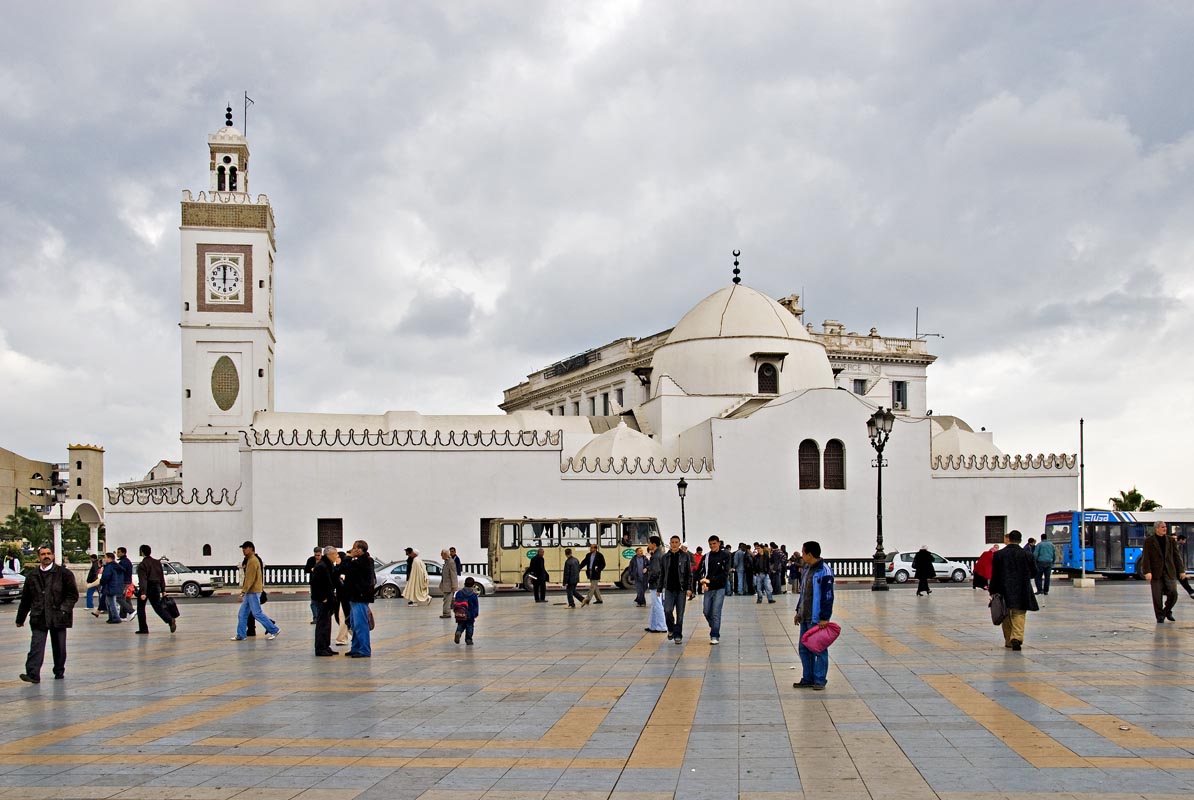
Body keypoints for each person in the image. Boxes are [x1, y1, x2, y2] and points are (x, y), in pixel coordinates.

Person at [15, 545, 79, 683]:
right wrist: (20, 618)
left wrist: (64, 609)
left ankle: (59, 670)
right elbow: (26, 599)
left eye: (49, 553)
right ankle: (33, 674)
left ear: (53, 556)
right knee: (36, 645)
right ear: (39, 557)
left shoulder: (64, 574)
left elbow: (72, 595)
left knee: (59, 647)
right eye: (43, 554)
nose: (46, 556)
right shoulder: (32, 576)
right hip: (39, 616)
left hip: (58, 616)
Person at [793, 540, 834, 690]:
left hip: (817, 618)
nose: (802, 555)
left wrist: (825, 617)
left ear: (809, 554)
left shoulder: (824, 571)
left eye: (803, 552)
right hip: (805, 615)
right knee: (804, 648)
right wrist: (798, 611)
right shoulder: (807, 569)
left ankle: (820, 679)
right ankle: (808, 677)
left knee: (819, 649)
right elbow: (803, 593)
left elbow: (828, 596)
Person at [989, 530, 1038, 650]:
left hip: (1003, 588)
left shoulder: (999, 555)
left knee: (1005, 614)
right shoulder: (1027, 555)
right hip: (1022, 588)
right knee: (1019, 614)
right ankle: (1017, 637)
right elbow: (1034, 572)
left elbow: (995, 574)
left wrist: (992, 590)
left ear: (1008, 539)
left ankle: (1009, 640)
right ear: (1020, 541)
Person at [231, 541, 280, 641]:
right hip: (250, 592)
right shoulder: (250, 560)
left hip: (253, 592)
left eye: (245, 548)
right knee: (242, 614)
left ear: (251, 549)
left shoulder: (253, 561)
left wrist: (243, 592)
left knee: (257, 613)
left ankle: (274, 629)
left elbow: (250, 578)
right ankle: (241, 634)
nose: (243, 550)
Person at [1139, 521, 1185, 623]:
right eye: (1162, 527)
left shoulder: (1170, 540)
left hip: (1169, 571)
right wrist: (1147, 571)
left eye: (1165, 527)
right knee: (1157, 595)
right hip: (1156, 573)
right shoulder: (1149, 541)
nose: (1165, 529)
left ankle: (1166, 611)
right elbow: (1146, 557)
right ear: (1157, 529)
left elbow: (1177, 556)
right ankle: (1160, 616)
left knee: (1173, 593)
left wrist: (1181, 570)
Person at [342, 539, 375, 657]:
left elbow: (344, 568)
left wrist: (349, 557)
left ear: (360, 550)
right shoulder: (359, 561)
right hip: (354, 596)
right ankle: (355, 647)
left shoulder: (364, 561)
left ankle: (364, 649)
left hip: (359, 597)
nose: (352, 550)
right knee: (354, 623)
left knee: (361, 624)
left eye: (354, 548)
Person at [660, 535, 694, 643]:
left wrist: (689, 588)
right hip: (669, 589)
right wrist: (659, 588)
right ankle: (670, 628)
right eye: (672, 542)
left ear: (679, 544)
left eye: (676, 542)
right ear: (669, 544)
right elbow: (662, 573)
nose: (674, 544)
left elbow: (689, 573)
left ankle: (678, 634)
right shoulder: (665, 557)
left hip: (681, 589)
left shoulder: (685, 556)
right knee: (667, 610)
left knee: (680, 613)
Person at [135, 544, 176, 634]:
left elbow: (143, 579)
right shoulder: (157, 562)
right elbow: (161, 577)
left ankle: (143, 628)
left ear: (142, 552)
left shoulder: (142, 565)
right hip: (156, 587)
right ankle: (169, 619)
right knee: (157, 606)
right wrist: (163, 590)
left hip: (147, 587)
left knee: (141, 608)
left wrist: (143, 592)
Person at [700, 534, 732, 644]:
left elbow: (725, 573)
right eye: (710, 544)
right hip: (708, 588)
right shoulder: (706, 556)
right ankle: (714, 625)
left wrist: (711, 580)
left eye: (714, 544)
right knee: (706, 610)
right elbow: (700, 571)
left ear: (718, 543)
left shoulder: (725, 556)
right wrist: (703, 581)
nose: (712, 546)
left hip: (719, 588)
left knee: (716, 612)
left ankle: (714, 635)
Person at [310, 545, 339, 656]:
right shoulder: (321, 566)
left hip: (329, 599)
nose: (336, 556)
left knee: (327, 624)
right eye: (335, 554)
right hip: (323, 600)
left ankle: (326, 646)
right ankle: (320, 648)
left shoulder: (328, 565)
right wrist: (323, 598)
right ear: (329, 555)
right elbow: (316, 584)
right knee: (322, 624)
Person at [645, 535, 667, 632]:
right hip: (659, 583)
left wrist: (649, 579)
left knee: (657, 605)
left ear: (654, 544)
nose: (648, 544)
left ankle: (662, 626)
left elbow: (655, 571)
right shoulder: (660, 554)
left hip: (656, 584)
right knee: (654, 605)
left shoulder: (655, 556)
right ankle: (653, 626)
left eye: (649, 542)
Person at [452, 576, 480, 645]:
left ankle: (458, 632)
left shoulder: (459, 593)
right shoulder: (473, 595)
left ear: (464, 584)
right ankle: (468, 640)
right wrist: (475, 613)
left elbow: (456, 602)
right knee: (469, 626)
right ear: (473, 585)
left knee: (460, 625)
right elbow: (476, 605)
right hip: (470, 614)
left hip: (460, 612)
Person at [98, 553, 123, 623]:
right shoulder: (115, 566)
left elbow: (106, 577)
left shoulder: (109, 567)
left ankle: (115, 618)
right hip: (113, 586)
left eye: (105, 557)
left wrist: (101, 582)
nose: (104, 559)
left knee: (111, 603)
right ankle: (111, 617)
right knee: (109, 603)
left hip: (110, 586)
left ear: (109, 558)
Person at [439, 548, 460, 619]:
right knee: (446, 600)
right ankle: (446, 612)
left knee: (447, 600)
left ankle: (447, 613)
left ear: (445, 554)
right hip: (446, 585)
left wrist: (454, 586)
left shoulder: (451, 562)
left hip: (449, 585)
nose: (441, 556)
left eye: (442, 554)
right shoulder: (446, 562)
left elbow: (453, 574)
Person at [115, 547, 135, 619]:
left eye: (119, 552)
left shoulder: (124, 562)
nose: (117, 554)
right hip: (126, 581)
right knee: (122, 598)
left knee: (119, 598)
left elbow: (121, 572)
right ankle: (123, 616)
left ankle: (131, 611)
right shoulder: (125, 561)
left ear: (123, 553)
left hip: (124, 582)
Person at [305, 546, 322, 624]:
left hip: (322, 583)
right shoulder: (311, 560)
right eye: (316, 555)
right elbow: (306, 569)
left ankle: (321, 617)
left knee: (322, 601)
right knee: (313, 601)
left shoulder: (324, 560)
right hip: (313, 583)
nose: (317, 557)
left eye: (318, 555)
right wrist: (311, 569)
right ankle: (315, 617)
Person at [1176, 534, 1194, 599]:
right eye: (1184, 540)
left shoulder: (1178, 545)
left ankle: (1191, 591)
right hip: (1174, 568)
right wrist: (1181, 570)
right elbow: (1178, 558)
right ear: (1180, 540)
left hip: (1175, 568)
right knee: (1183, 579)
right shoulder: (1176, 546)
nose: (1185, 542)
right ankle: (1191, 592)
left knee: (1183, 580)